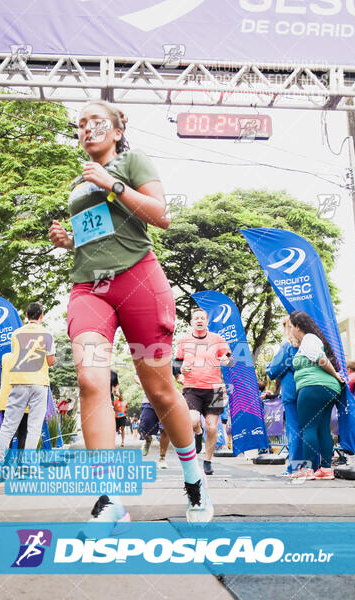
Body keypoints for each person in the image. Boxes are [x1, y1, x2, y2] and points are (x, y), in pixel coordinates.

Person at [49, 100, 213, 523]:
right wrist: (70, 241)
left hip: (139, 282)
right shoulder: (78, 183)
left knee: (159, 391)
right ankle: (108, 499)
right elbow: (101, 232)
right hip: (90, 288)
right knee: (90, 379)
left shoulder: (131, 161)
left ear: (118, 131)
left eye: (95, 122)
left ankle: (194, 480)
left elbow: (161, 217)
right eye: (80, 125)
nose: (86, 129)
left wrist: (113, 184)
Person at [0, 302, 56, 463]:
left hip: (18, 381)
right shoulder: (47, 334)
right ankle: (27, 465)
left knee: (8, 426)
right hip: (39, 383)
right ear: (41, 316)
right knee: (34, 427)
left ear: (26, 316)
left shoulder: (16, 334)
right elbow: (50, 361)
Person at [175, 307, 233, 476]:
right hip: (192, 387)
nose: (199, 320)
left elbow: (231, 360)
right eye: (196, 318)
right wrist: (180, 370)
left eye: (202, 318)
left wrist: (226, 359)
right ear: (192, 322)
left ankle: (208, 460)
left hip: (214, 389)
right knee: (193, 421)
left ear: (207, 321)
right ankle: (198, 433)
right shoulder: (184, 341)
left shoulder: (218, 339)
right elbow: (176, 364)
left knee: (213, 427)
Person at [288, 310, 344, 481]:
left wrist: (336, 375)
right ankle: (326, 469)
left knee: (308, 428)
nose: (290, 330)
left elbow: (320, 359)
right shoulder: (313, 339)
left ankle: (308, 469)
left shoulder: (309, 339)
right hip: (327, 389)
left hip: (313, 387)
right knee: (321, 429)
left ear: (297, 327)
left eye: (291, 326)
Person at [266, 315, 302, 476]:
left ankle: (295, 467)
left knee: (293, 429)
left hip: (290, 392)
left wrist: (269, 367)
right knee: (309, 429)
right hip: (306, 390)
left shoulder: (287, 346)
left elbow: (273, 370)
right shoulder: (306, 344)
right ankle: (311, 466)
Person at [135, 374, 170, 469]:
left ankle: (162, 458)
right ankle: (148, 440)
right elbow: (136, 376)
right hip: (148, 400)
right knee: (144, 428)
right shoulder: (146, 360)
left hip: (166, 400)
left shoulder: (171, 361)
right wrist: (143, 384)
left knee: (165, 429)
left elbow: (178, 373)